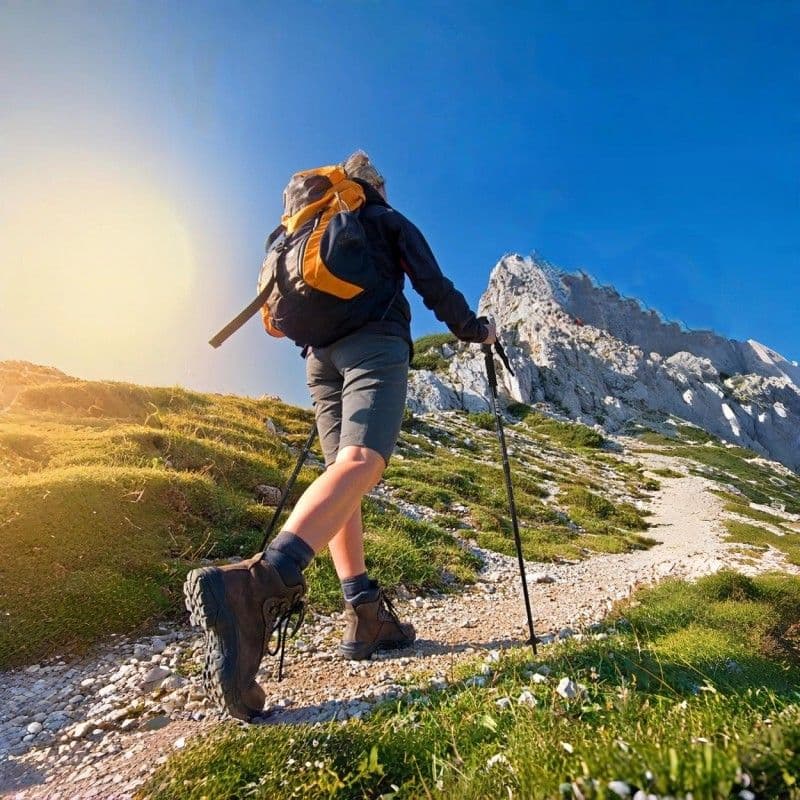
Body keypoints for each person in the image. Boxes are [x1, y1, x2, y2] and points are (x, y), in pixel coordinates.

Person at [184, 151, 497, 720]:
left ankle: (363, 612)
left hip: (318, 359)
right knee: (364, 462)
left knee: (341, 476)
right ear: (371, 183)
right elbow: (433, 284)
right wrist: (476, 330)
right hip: (374, 342)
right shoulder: (379, 215)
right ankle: (258, 584)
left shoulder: (299, 233)